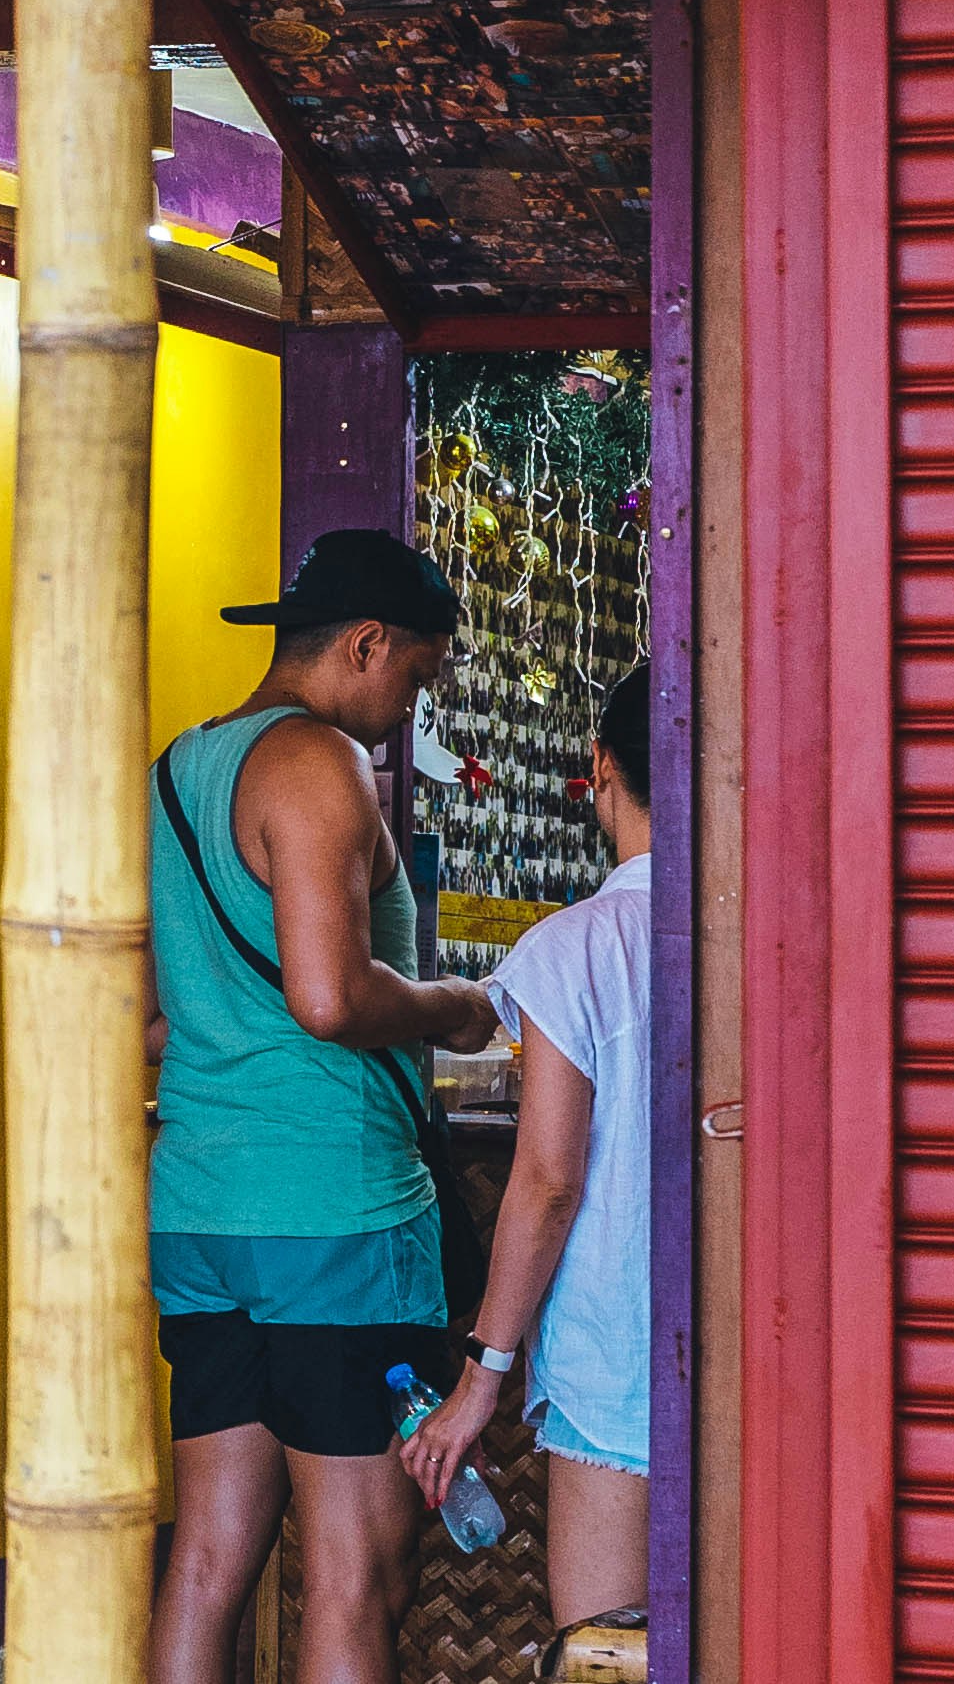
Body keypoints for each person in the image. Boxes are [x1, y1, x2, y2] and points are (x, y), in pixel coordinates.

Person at [149, 529, 501, 1684]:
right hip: (333, 1214)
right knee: (357, 1569)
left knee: (207, 1561)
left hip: (201, 1205)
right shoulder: (316, 763)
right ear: (367, 644)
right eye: (419, 675)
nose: (411, 706)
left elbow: (156, 1018)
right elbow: (327, 992)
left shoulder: (181, 769)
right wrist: (455, 1004)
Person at [398, 664, 654, 1629]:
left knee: (602, 1647)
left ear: (600, 768)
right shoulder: (765, 933)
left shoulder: (580, 947)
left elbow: (547, 1183)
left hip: (619, 1359)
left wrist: (480, 1379)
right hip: (765, 1353)